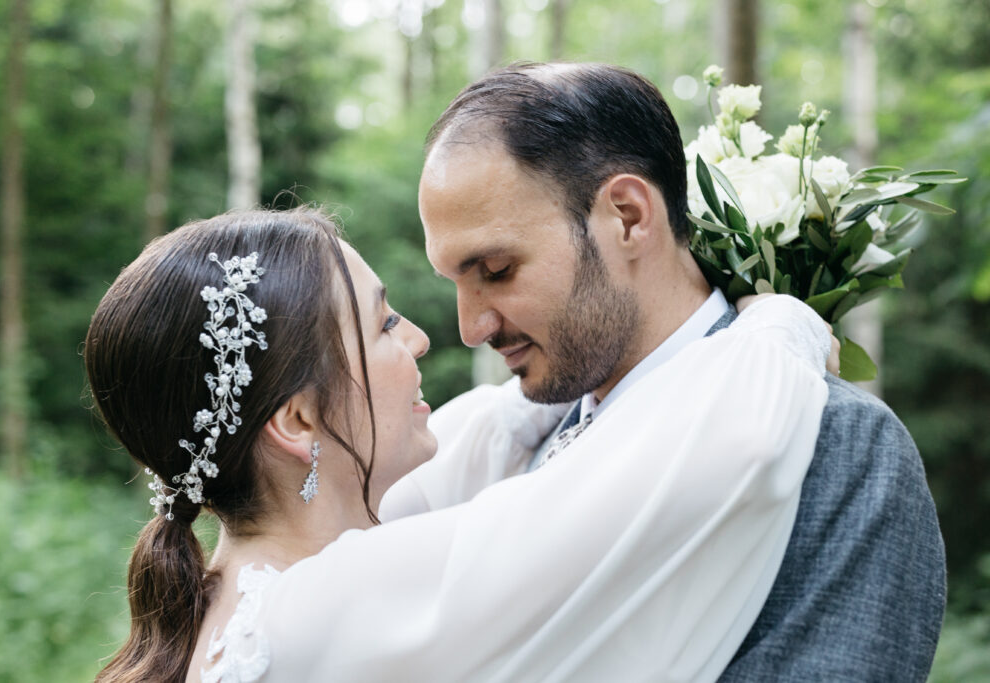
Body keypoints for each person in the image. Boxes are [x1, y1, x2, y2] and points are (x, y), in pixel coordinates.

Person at [85, 207, 834, 682]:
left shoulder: (238, 594)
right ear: (297, 422)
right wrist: (780, 320)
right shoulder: (331, 600)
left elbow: (482, 432)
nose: (419, 335)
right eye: (382, 326)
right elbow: (709, 455)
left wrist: (573, 356)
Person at [397, 61, 946, 680]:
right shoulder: (509, 449)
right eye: (457, 284)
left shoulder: (840, 444)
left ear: (628, 216)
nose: (472, 327)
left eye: (496, 270)